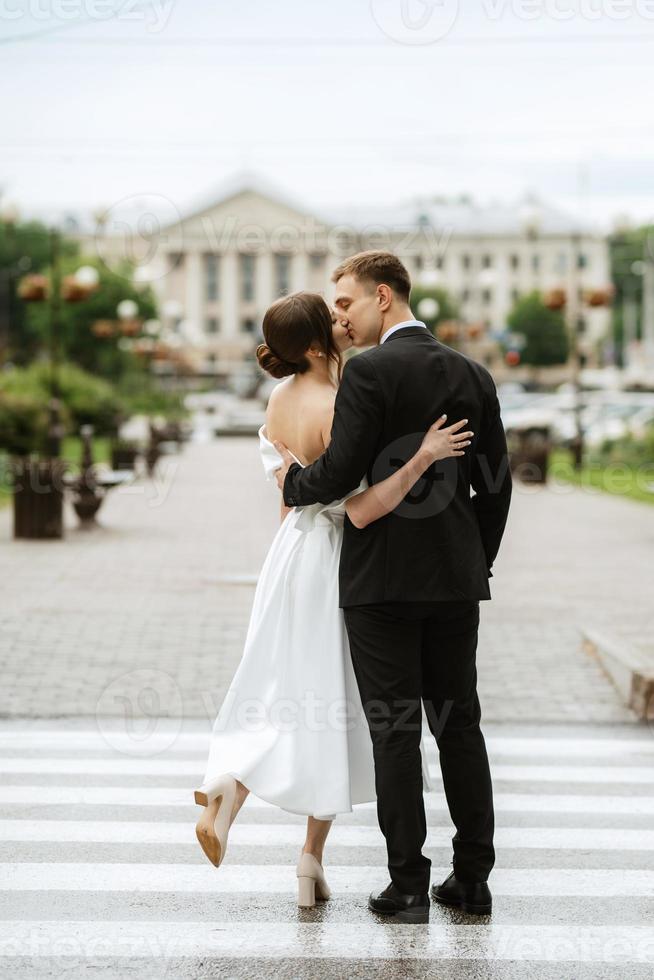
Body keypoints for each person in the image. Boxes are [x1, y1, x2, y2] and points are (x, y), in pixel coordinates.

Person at [194, 290, 474, 915]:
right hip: (339, 560)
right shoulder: (337, 401)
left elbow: (289, 497)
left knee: (283, 685)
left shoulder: (279, 397)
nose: (345, 323)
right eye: (334, 320)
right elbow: (362, 507)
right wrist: (425, 455)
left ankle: (240, 802)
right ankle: (304, 853)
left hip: (288, 554)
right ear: (319, 343)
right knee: (333, 699)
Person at [274, 251, 512, 922]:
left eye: (345, 302)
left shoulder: (371, 373)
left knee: (396, 731)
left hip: (379, 580)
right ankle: (472, 879)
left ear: (384, 296)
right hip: (453, 581)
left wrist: (291, 482)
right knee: (459, 724)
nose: (338, 316)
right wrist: (475, 560)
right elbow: (495, 483)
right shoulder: (471, 373)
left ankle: (407, 885)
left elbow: (341, 469)